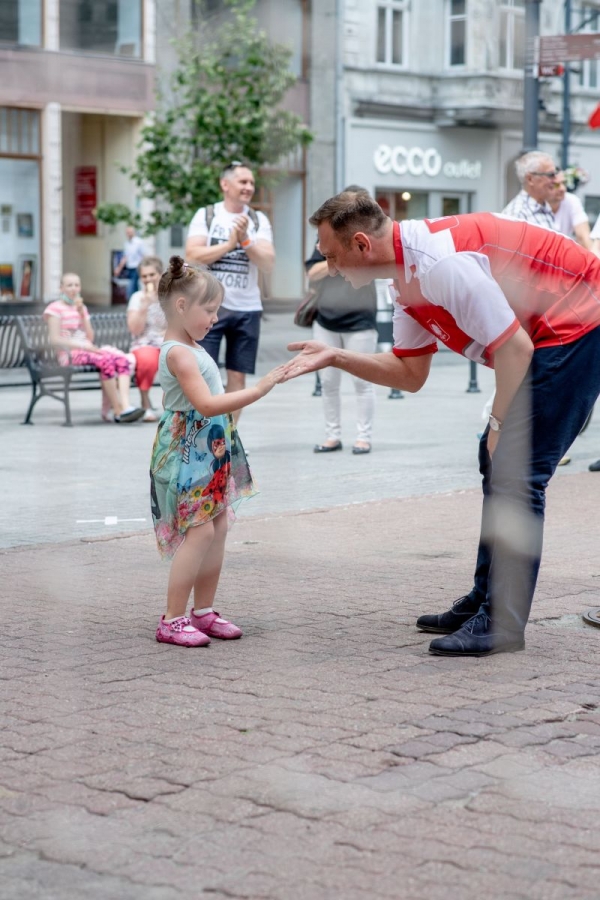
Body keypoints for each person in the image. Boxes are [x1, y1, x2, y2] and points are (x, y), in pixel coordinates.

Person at [284, 193, 600, 657]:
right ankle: (484, 600)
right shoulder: (403, 280)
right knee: (496, 462)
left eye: (331, 256)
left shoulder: (439, 264)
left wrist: (498, 424)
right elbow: (410, 374)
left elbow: (515, 350)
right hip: (547, 333)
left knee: (516, 471)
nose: (329, 269)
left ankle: (501, 623)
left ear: (361, 244)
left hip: (579, 319)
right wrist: (336, 356)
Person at [150, 256, 286, 647]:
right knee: (200, 531)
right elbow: (206, 404)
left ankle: (203, 611)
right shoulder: (178, 352)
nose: (215, 318)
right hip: (189, 451)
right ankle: (172, 619)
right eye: (209, 310)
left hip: (209, 448)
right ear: (181, 306)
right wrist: (259, 389)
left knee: (218, 526)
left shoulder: (191, 345)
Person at [185, 161, 275, 424]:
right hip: (208, 308)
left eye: (251, 183)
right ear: (225, 184)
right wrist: (229, 244)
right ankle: (204, 431)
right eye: (243, 182)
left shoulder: (258, 219)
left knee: (238, 375)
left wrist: (246, 240)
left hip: (247, 308)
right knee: (204, 373)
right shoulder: (206, 215)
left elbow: (268, 262)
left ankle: (228, 434)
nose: (249, 187)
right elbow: (192, 255)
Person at [305, 186, 378, 455]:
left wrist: (339, 254)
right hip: (326, 320)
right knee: (328, 382)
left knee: (362, 381)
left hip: (360, 320)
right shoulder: (326, 235)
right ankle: (332, 436)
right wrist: (331, 255)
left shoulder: (371, 237)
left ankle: (363, 437)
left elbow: (372, 266)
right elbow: (312, 273)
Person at [44, 273, 144, 423]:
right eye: (69, 285)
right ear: (61, 288)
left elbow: (90, 337)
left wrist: (82, 315)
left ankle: (125, 406)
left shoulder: (81, 308)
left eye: (76, 285)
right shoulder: (54, 309)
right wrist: (83, 345)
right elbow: (55, 339)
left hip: (87, 350)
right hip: (68, 354)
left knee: (121, 359)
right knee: (106, 360)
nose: (73, 289)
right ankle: (117, 411)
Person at [126, 255, 167, 422]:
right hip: (144, 343)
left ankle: (174, 407)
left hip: (167, 341)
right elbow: (134, 329)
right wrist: (145, 305)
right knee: (147, 360)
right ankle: (145, 403)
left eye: (152, 275)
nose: (148, 279)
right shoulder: (137, 298)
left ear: (160, 274)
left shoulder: (170, 296)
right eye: (144, 276)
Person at [501, 150, 559, 229]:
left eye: (555, 174)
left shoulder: (544, 207)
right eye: (551, 175)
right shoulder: (517, 214)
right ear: (530, 179)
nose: (556, 180)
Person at [548, 172, 594, 249]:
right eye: (556, 185)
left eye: (564, 183)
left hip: (564, 251)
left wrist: (592, 255)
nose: (562, 188)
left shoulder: (572, 200)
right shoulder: (534, 205)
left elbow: (583, 237)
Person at [113, 225, 146, 300]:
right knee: (134, 287)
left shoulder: (139, 242)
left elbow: (143, 255)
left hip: (136, 267)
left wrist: (143, 268)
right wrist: (118, 269)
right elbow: (125, 257)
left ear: (134, 232)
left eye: (130, 232)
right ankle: (136, 301)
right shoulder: (127, 243)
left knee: (131, 287)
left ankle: (130, 301)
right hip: (129, 268)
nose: (129, 233)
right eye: (127, 232)